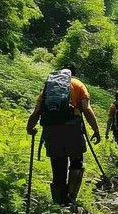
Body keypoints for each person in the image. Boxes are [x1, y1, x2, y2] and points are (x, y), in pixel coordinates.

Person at [26, 63, 101, 205]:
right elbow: (86, 109)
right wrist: (96, 130)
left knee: (58, 165)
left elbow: (37, 111)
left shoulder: (49, 87)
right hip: (72, 129)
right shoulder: (78, 85)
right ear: (73, 74)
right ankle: (71, 198)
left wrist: (30, 127)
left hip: (51, 130)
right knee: (76, 163)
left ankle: (58, 204)